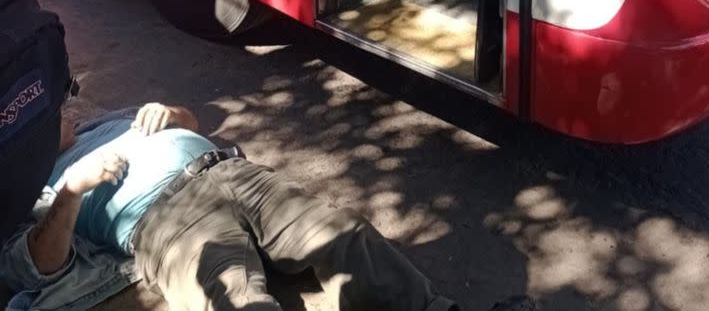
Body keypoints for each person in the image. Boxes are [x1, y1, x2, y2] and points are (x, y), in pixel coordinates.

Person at [1, 102, 459, 311]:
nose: (65, 108)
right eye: (48, 114)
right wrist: (73, 189)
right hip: (167, 221)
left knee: (342, 232)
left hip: (229, 171)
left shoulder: (107, 118)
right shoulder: (32, 189)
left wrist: (173, 114)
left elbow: (193, 121)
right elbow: (37, 266)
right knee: (236, 300)